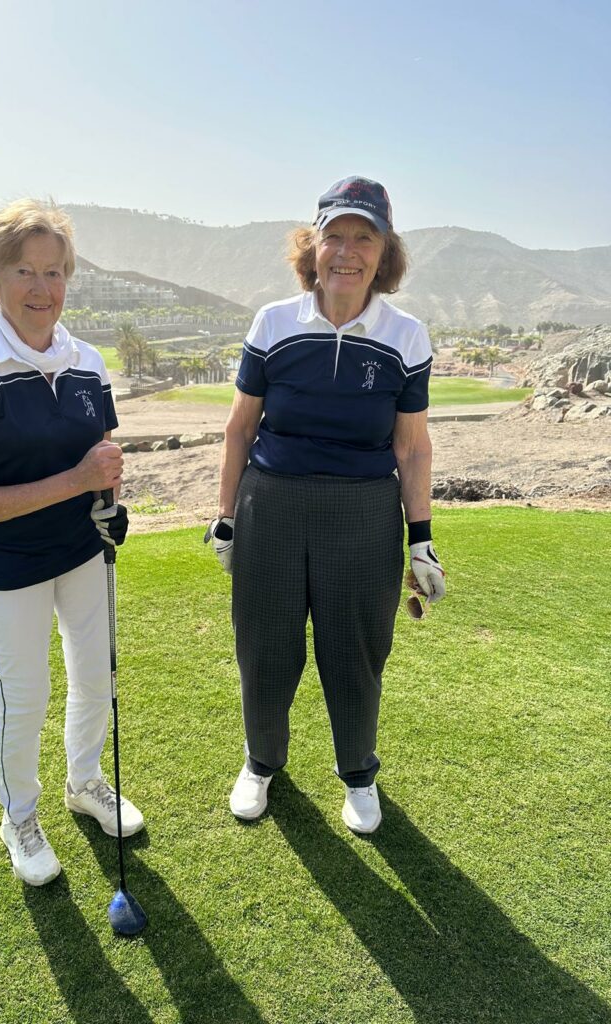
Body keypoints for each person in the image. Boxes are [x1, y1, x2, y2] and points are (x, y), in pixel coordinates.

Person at [206, 175, 446, 834]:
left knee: (356, 649)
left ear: (384, 252)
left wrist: (421, 538)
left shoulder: (406, 335)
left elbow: (412, 448)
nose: (347, 251)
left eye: (363, 237)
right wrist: (225, 516)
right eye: (333, 236)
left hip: (364, 513)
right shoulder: (274, 322)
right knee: (265, 645)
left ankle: (358, 774)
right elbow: (239, 429)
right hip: (272, 506)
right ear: (311, 247)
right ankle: (261, 762)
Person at [0, 199, 143, 886]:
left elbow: (102, 459)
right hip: (6, 565)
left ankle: (85, 783)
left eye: (55, 272)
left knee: (96, 677)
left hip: (82, 551)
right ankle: (19, 816)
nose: (42, 288)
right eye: (24, 271)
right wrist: (77, 481)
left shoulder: (88, 363)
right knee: (24, 698)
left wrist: (110, 503)